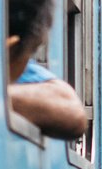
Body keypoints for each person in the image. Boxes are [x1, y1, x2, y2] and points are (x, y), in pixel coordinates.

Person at [7, 0, 88, 140]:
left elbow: (72, 111)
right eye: (31, 51)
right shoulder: (9, 59)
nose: (26, 63)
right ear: (11, 47)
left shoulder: (25, 71)